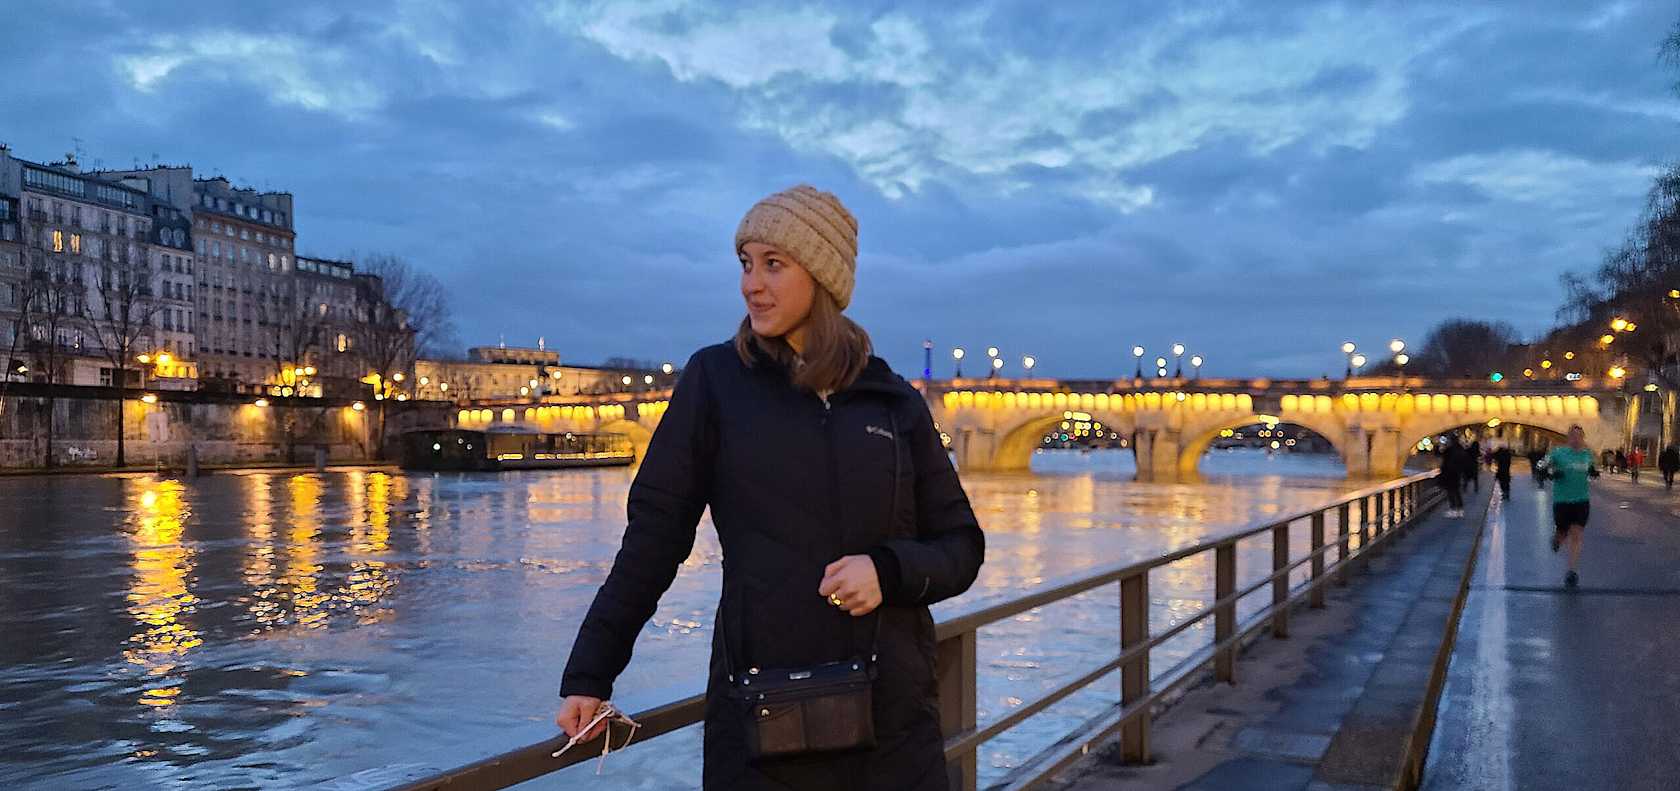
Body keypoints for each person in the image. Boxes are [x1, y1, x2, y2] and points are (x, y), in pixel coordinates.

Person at [555, 186, 986, 790]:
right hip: (763, 723)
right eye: (746, 263)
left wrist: (886, 572)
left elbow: (962, 546)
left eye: (773, 264)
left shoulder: (891, 401)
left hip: (893, 730)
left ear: (823, 276)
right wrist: (590, 674)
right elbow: (654, 538)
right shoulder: (716, 382)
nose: (751, 285)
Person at [1541, 425, 1599, 590]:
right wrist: (1550, 473)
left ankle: (1572, 571)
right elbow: (1542, 465)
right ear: (1568, 438)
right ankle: (1557, 538)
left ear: (1583, 438)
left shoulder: (1587, 455)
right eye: (1573, 436)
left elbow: (1591, 470)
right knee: (1563, 533)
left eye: (1579, 436)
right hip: (1562, 501)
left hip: (1581, 500)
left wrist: (1593, 473)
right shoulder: (1558, 453)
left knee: (1576, 534)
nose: (1576, 439)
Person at [1438, 436, 1466, 517]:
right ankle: (1460, 510)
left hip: (1449, 473)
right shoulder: (1460, 449)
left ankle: (1453, 509)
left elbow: (1440, 455)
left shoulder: (1449, 450)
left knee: (1450, 492)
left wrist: (1440, 446)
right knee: (1456, 491)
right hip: (1457, 473)